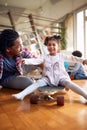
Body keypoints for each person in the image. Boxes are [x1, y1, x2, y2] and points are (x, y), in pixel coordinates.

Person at [12, 36, 87, 101]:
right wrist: (26, 60)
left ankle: (85, 95)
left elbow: (72, 58)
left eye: (54, 45)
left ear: (58, 47)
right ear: (47, 47)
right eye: (49, 45)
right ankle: (21, 95)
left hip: (61, 77)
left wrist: (82, 60)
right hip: (48, 78)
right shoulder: (44, 56)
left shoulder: (61, 56)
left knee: (69, 83)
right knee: (37, 83)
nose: (51, 46)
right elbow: (36, 60)